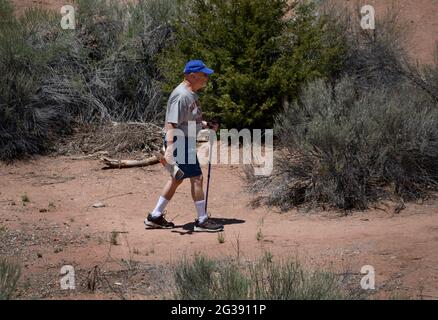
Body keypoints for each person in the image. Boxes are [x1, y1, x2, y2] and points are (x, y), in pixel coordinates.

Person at [144, 60, 224, 232]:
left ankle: (155, 216)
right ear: (192, 75)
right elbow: (171, 125)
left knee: (177, 178)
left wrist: (204, 124)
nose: (206, 78)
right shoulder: (181, 95)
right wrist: (170, 150)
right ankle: (202, 221)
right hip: (180, 142)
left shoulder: (191, 93)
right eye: (204, 75)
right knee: (197, 178)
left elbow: (186, 120)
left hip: (184, 141)